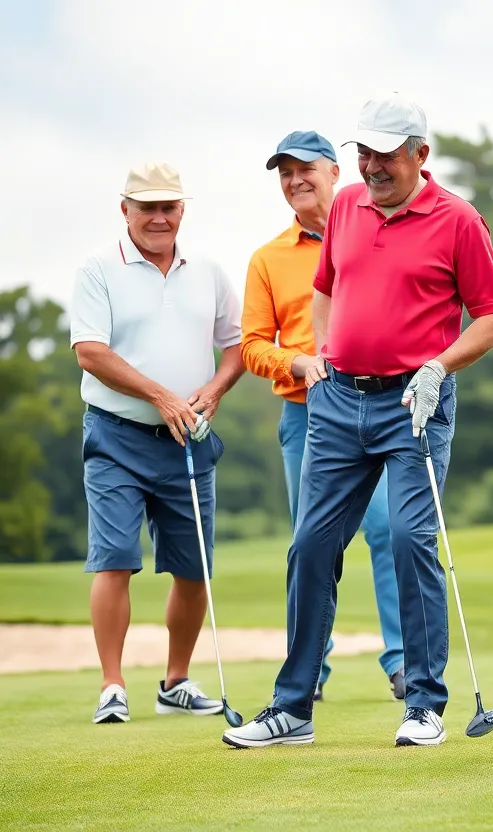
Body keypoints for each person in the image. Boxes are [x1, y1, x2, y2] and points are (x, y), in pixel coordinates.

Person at [222, 91, 493, 749]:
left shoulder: (459, 220)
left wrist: (440, 367)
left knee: (409, 539)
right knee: (311, 546)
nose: (372, 167)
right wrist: (321, 359)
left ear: (419, 155)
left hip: (414, 402)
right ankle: (292, 707)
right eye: (364, 154)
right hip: (337, 402)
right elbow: (325, 288)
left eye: (385, 155)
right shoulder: (349, 204)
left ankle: (425, 703)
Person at [69, 162, 244, 724]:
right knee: (114, 559)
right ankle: (112, 685)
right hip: (115, 435)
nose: (159, 218)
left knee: (193, 569)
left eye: (169, 207)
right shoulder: (98, 269)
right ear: (125, 211)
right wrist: (163, 397)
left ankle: (176, 681)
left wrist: (213, 390)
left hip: (187, 440)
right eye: (147, 208)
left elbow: (237, 346)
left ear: (182, 211)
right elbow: (91, 352)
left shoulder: (209, 271)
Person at [241, 129, 406, 703]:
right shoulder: (268, 259)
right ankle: (308, 672)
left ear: (336, 172)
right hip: (306, 417)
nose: (294, 181)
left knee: (390, 528)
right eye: (284, 173)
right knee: (312, 543)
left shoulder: (374, 227)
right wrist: (296, 362)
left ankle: (403, 661)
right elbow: (253, 345)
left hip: (377, 405)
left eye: (305, 169)